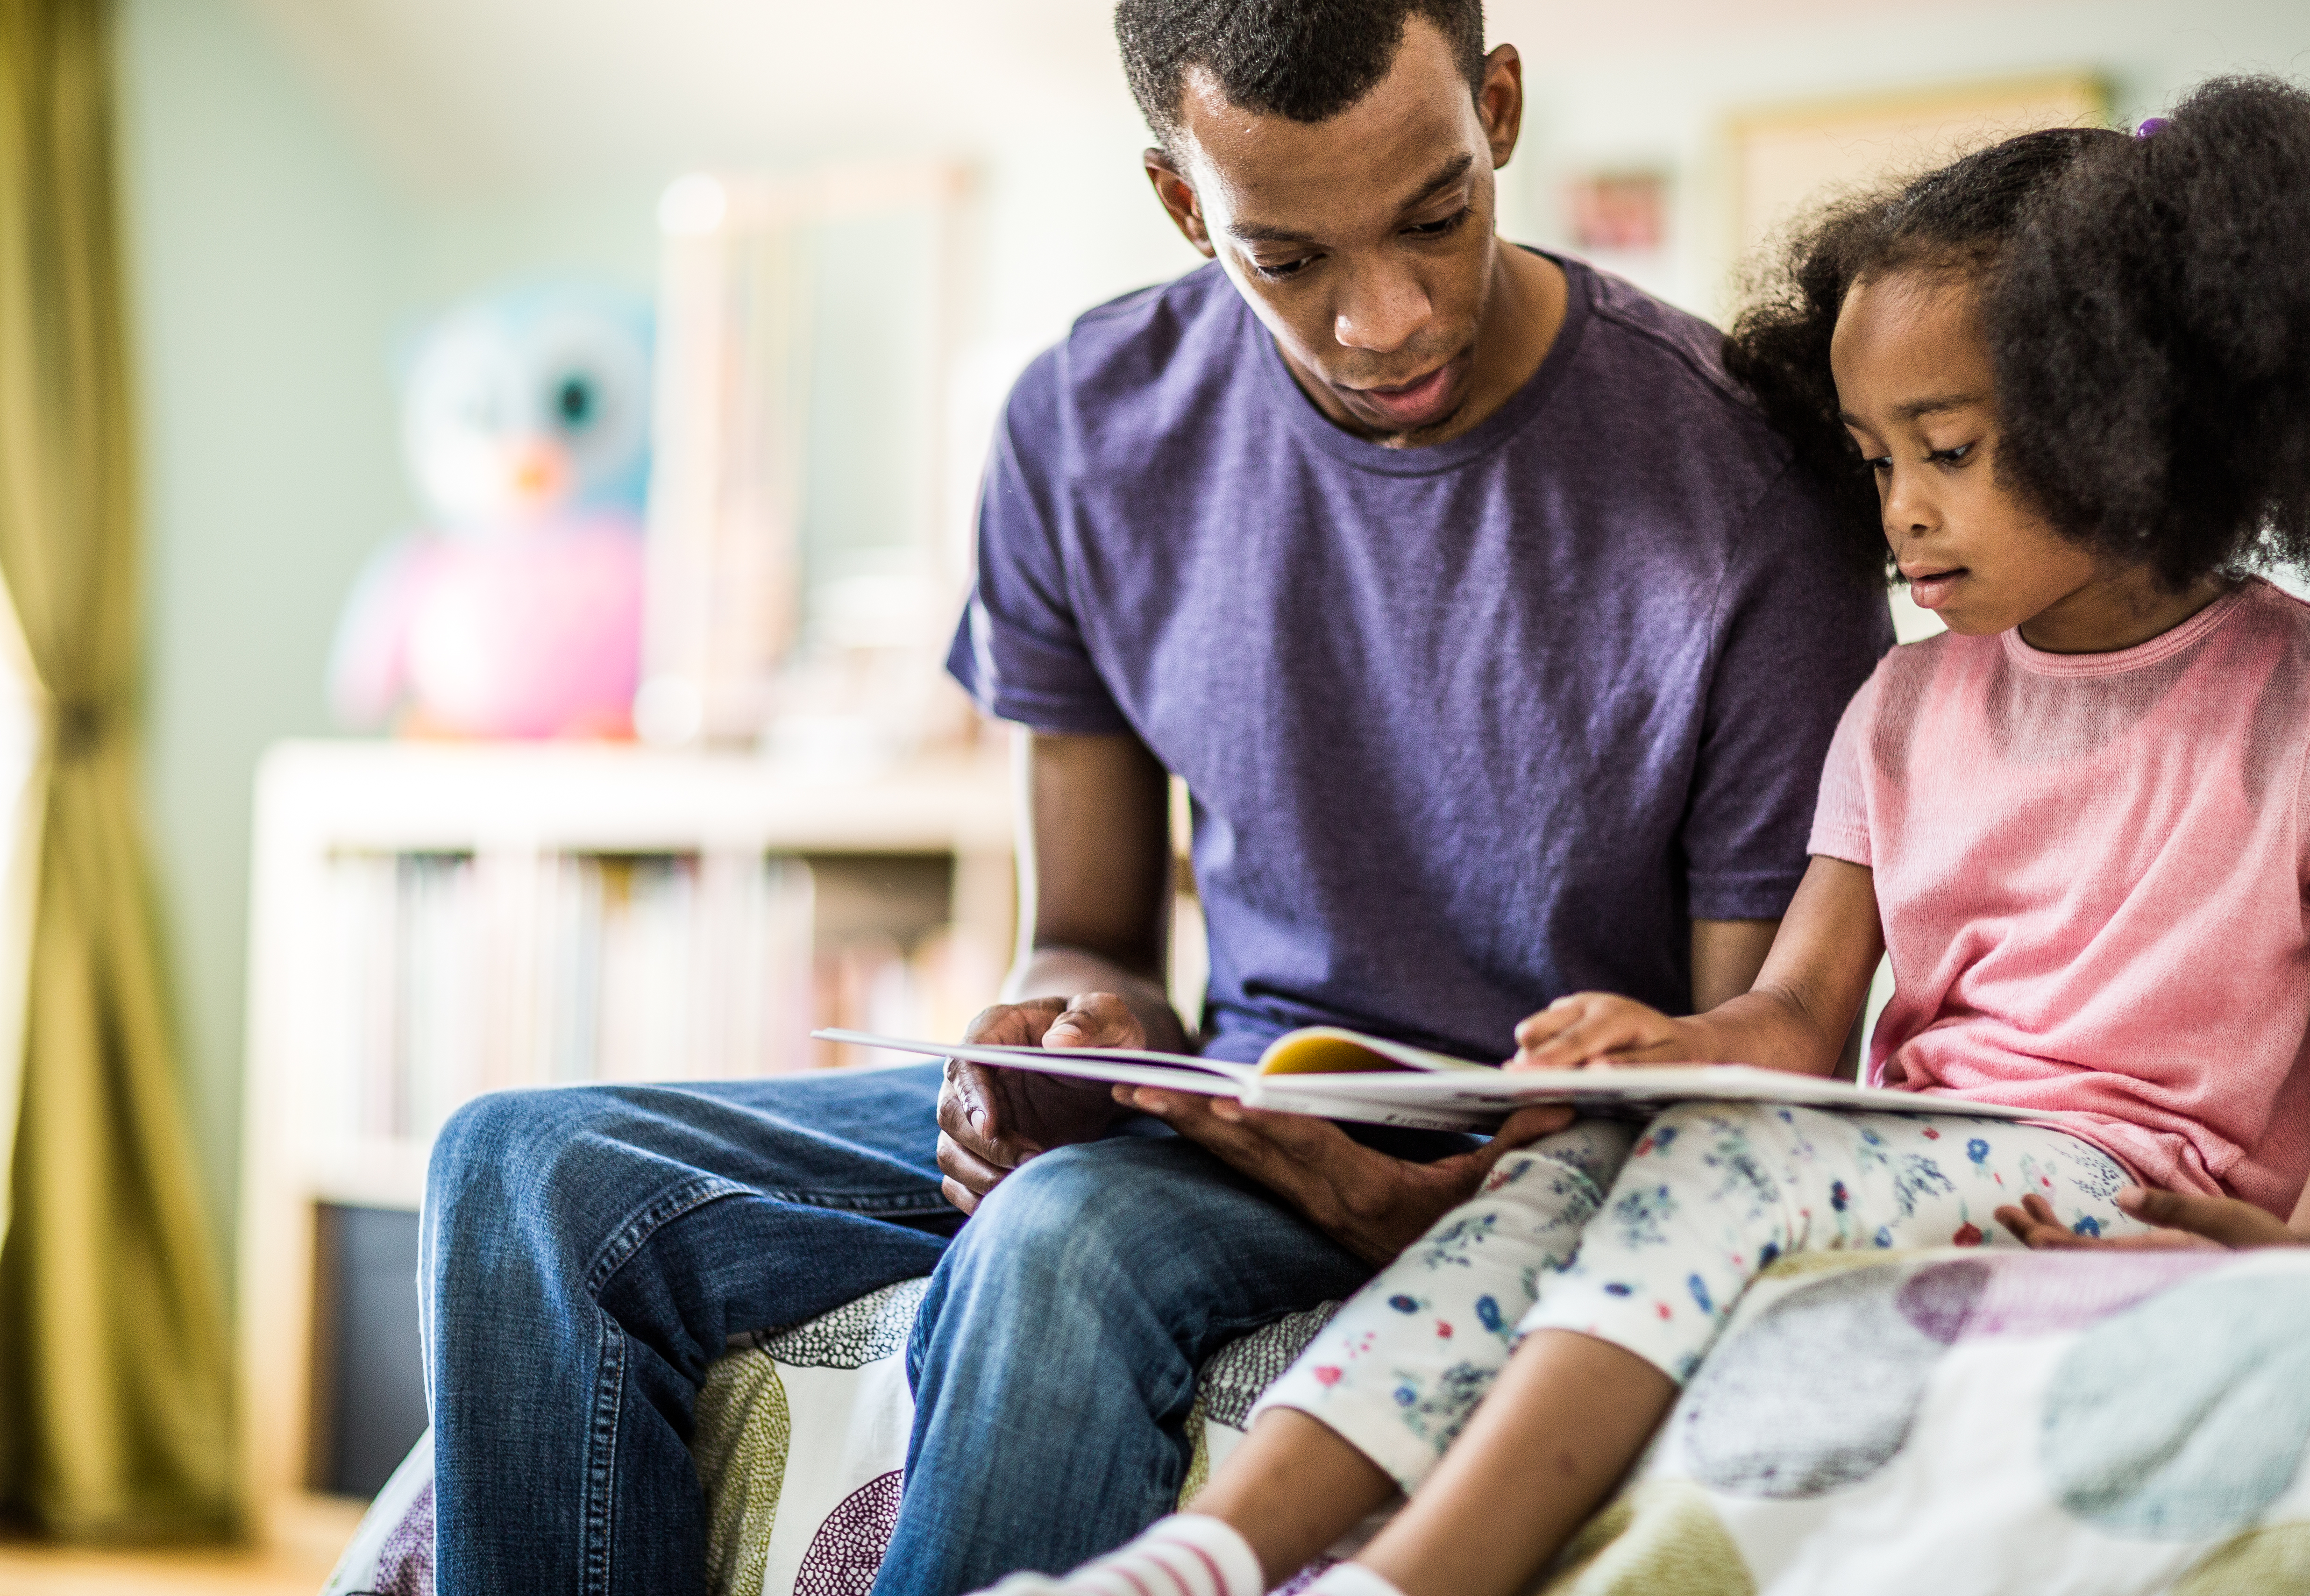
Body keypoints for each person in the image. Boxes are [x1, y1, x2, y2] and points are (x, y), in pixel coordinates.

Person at [415, 2, 1889, 1592]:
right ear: (1187, 206)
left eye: (1435, 218)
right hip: (1223, 1099)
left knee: (1057, 1241)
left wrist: (1442, 1209)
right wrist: (1047, 1042)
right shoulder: (1087, 426)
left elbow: (1746, 1079)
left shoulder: (1747, 487)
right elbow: (1093, 936)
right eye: (1289, 259)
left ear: (1501, 110)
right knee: (516, 1167)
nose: (1384, 320)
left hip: (1525, 1158)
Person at [971, 77, 2310, 1596]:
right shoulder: (1907, 706)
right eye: (1872, 461)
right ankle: (1201, 1556)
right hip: (1919, 1150)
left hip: (2123, 1173)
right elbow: (1795, 1013)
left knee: (1729, 1174)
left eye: (1951, 450)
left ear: (2135, 413)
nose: (1899, 516)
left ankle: (1411, 1579)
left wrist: (2301, 1262)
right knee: (1562, 1170)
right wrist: (1662, 1047)